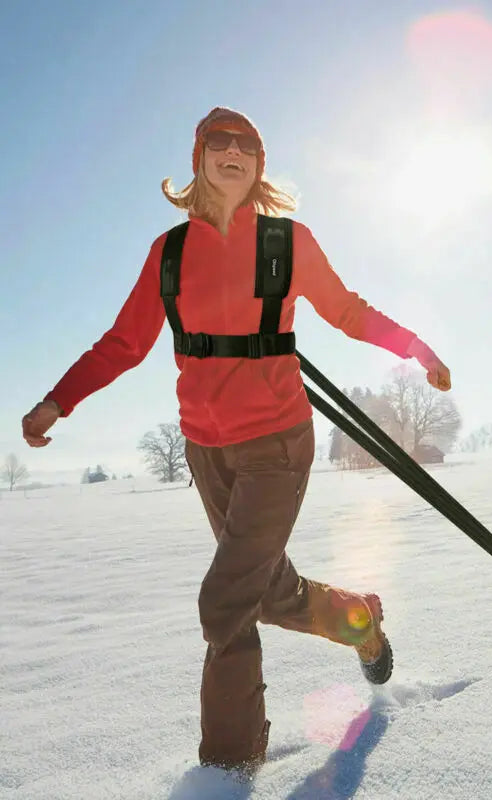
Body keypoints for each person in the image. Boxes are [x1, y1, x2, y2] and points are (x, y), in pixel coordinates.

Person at [21, 107, 451, 774]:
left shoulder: (287, 241)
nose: (232, 151)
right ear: (198, 159)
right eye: (217, 143)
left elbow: (345, 310)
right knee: (268, 594)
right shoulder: (169, 253)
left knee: (225, 600)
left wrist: (417, 349)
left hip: (278, 442)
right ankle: (360, 622)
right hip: (206, 450)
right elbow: (124, 343)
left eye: (246, 144)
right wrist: (58, 400)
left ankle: (228, 768)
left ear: (258, 163)